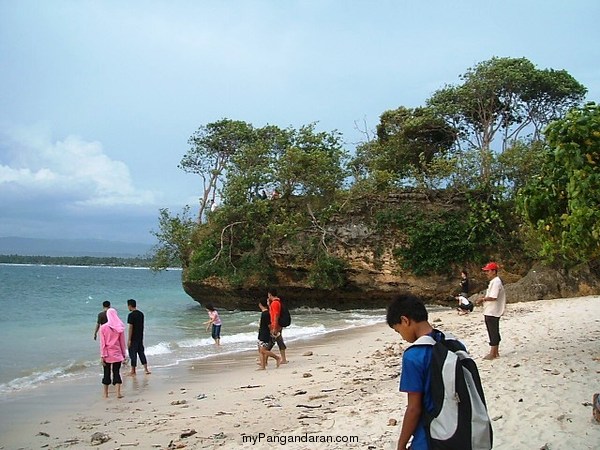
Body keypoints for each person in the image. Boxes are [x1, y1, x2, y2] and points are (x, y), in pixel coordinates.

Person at [386, 294, 467, 450]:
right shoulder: (453, 343)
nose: (402, 337)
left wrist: (401, 445)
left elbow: (414, 408)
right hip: (461, 426)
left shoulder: (414, 355)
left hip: (431, 435)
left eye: (398, 331)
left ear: (405, 320)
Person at [476, 262, 506, 360]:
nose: (486, 273)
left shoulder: (496, 282)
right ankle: (495, 352)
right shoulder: (495, 281)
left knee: (492, 330)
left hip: (492, 310)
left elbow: (493, 297)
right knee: (494, 330)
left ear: (493, 271)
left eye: (488, 271)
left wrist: (482, 299)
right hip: (492, 310)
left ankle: (493, 353)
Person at [98, 307, 127, 398]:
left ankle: (105, 394)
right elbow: (122, 342)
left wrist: (102, 355)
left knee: (106, 373)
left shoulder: (103, 328)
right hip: (117, 354)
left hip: (107, 354)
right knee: (116, 372)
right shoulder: (120, 327)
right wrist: (124, 354)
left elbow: (102, 343)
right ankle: (118, 393)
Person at [126, 298, 151, 375]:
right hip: (140, 336)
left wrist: (129, 339)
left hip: (133, 337)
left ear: (130, 306)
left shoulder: (131, 315)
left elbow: (130, 327)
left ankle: (133, 371)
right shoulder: (141, 314)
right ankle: (146, 369)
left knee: (133, 353)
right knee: (141, 352)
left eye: (128, 306)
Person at [257, 298, 281, 369]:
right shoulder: (265, 313)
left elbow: (269, 325)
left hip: (265, 334)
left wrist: (272, 332)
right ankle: (263, 366)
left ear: (260, 304)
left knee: (263, 350)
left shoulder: (265, 314)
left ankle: (277, 358)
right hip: (262, 333)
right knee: (260, 350)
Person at [267, 289, 288, 364]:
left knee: (271, 342)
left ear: (270, 294)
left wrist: (275, 327)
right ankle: (283, 359)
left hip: (276, 325)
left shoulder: (275, 303)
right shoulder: (275, 302)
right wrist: (269, 305)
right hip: (277, 325)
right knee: (277, 341)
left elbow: (276, 315)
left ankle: (264, 360)